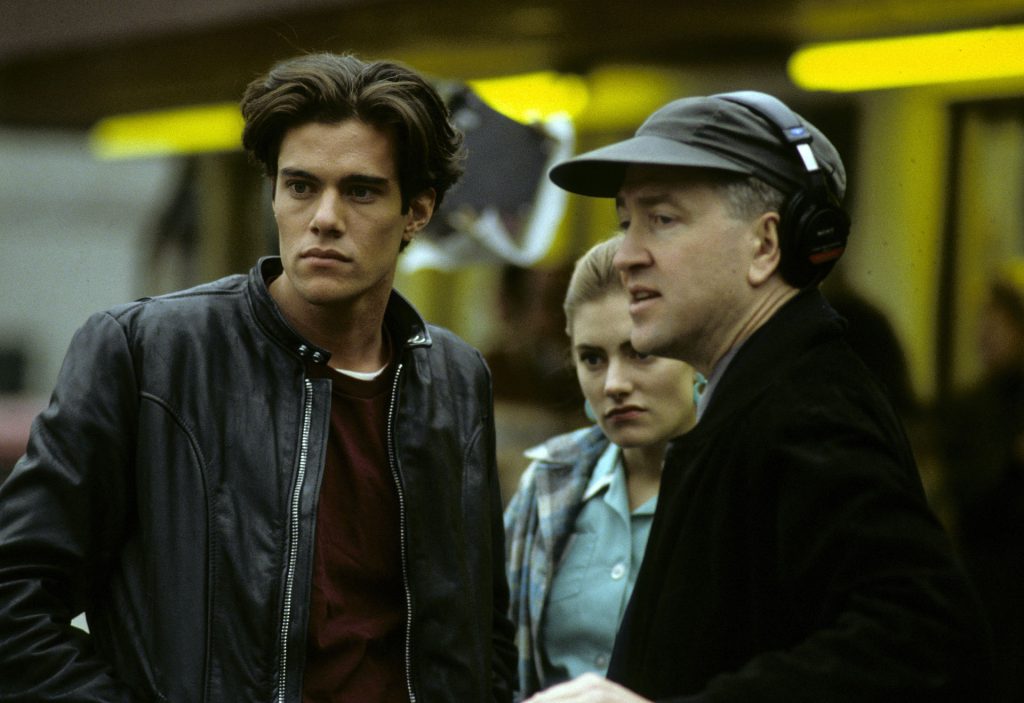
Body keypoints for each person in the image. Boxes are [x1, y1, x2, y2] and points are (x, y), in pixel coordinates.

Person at [0, 53, 515, 703]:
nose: (325, 217)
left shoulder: (456, 378)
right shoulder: (148, 352)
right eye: (301, 186)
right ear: (274, 192)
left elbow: (481, 630)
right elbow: (13, 598)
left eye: (360, 190)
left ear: (417, 210)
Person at [525, 91, 992, 701]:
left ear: (767, 246)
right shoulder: (759, 395)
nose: (629, 256)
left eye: (662, 219)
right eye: (625, 223)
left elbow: (924, 638)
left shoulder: (808, 409)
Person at [504, 234, 697, 699]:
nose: (613, 384)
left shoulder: (742, 487)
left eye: (641, 352)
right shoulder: (548, 484)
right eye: (592, 359)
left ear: (697, 351)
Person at [935, 279, 1024, 702]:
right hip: (990, 586)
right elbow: (969, 497)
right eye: (983, 321)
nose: (984, 333)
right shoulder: (972, 408)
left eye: (999, 321)